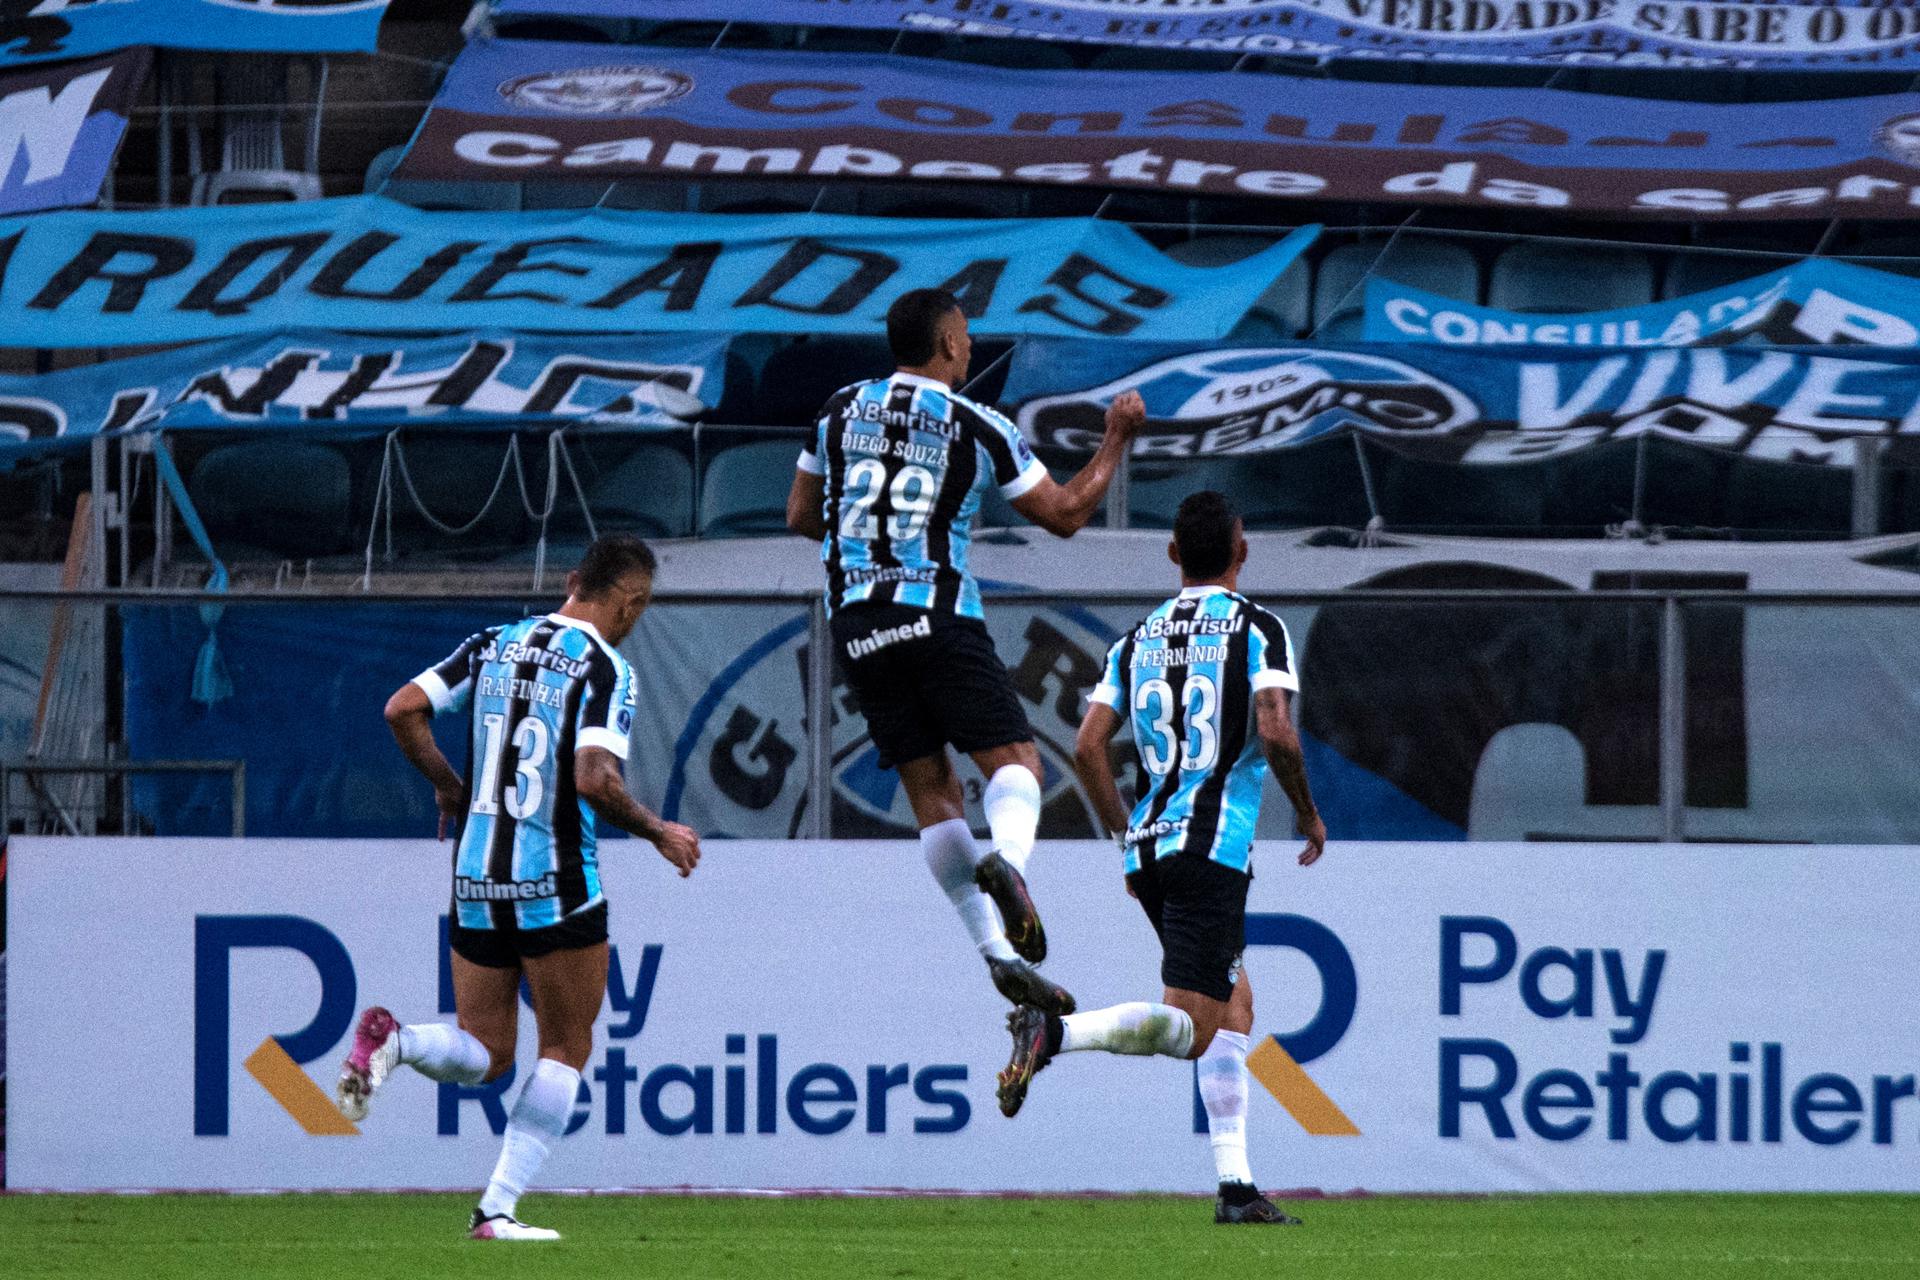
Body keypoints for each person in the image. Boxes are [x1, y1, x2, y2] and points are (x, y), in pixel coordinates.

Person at [786, 288, 1145, 1016]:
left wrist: (866, 546)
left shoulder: (837, 409)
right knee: (1018, 764)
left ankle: (997, 954)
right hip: (938, 615)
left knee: (932, 793)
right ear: (947, 345)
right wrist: (1116, 438)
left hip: (856, 623)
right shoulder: (976, 425)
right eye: (968, 336)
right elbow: (1068, 515)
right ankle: (1007, 868)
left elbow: (799, 513)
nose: (972, 346)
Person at [337, 533, 701, 1241]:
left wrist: (450, 787)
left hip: (475, 876)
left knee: (486, 1051)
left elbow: (401, 709)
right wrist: (657, 830)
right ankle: (496, 1209)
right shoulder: (608, 669)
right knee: (566, 1045)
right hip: (554, 881)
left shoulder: (492, 642)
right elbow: (594, 779)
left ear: (572, 581)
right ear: (630, 603)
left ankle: (400, 1042)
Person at [996, 491, 1328, 1227]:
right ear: (1242, 550)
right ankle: (1054, 1032)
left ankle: (1236, 1187)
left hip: (1150, 847)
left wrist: (1125, 834)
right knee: (1195, 1026)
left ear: (1173, 554)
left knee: (1234, 1006)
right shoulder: (1259, 629)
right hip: (1213, 850)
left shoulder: (1136, 638)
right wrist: (1305, 811)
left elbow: (1086, 746)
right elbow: (1274, 730)